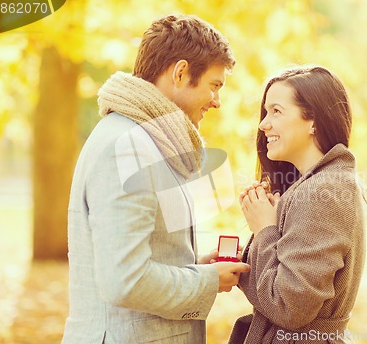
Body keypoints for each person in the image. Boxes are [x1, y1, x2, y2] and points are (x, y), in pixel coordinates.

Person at [62, 14, 250, 344]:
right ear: (180, 73)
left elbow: (141, 253)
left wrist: (194, 266)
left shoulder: (146, 140)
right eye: (214, 86)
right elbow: (125, 279)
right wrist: (205, 280)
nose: (217, 101)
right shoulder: (127, 146)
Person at [233, 66, 366, 344]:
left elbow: (288, 306)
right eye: (265, 112)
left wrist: (265, 230)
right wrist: (239, 259)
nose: (263, 124)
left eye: (277, 111)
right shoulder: (311, 186)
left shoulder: (325, 191)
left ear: (313, 121)